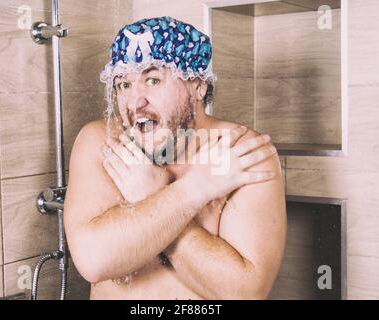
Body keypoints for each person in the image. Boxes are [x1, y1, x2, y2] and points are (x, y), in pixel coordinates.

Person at [64, 16, 286, 300]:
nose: (135, 102)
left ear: (197, 85)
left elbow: (243, 293)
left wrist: (150, 198)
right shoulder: (102, 141)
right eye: (123, 85)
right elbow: (93, 260)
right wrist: (194, 190)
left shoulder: (242, 152)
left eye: (152, 80)